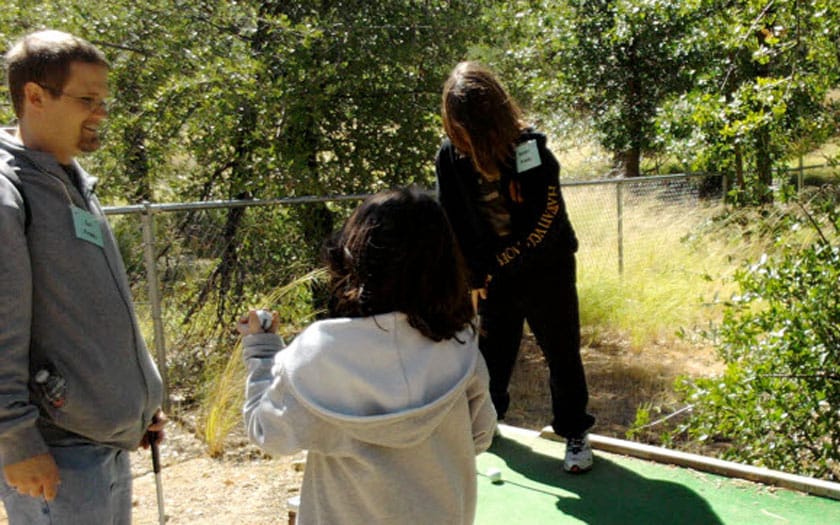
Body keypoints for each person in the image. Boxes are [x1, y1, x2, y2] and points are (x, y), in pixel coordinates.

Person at [240, 188, 497, 524]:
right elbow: (479, 436)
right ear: (445, 263)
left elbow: (268, 433)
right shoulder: (460, 345)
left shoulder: (319, 352)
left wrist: (262, 349)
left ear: (354, 257)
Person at [0, 30, 166, 523]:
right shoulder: (9, 194)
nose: (102, 114)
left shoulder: (66, 176)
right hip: (53, 457)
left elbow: (87, 313)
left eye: (103, 100)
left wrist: (133, 403)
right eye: (87, 100)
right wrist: (15, 439)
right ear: (35, 96)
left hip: (101, 446)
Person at [435, 61, 595, 473]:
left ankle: (574, 432)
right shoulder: (450, 158)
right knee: (491, 355)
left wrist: (501, 263)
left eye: (469, 128)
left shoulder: (529, 149)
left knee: (561, 352)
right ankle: (489, 426)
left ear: (490, 117)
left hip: (548, 269)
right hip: (492, 277)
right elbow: (451, 218)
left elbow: (547, 218)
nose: (462, 139)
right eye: (456, 129)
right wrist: (472, 275)